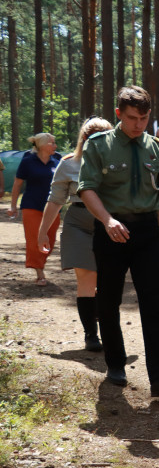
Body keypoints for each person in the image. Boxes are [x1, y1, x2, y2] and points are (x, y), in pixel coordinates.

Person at [77, 85, 159, 397]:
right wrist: (107, 219)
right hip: (111, 231)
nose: (139, 124)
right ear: (119, 114)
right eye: (133, 118)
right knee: (108, 300)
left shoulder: (158, 149)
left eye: (145, 118)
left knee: (153, 302)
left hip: (147, 232)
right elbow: (86, 188)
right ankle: (115, 364)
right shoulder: (99, 145)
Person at [37, 117, 114, 351]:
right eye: (92, 139)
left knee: (108, 281)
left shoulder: (119, 164)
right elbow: (55, 200)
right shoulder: (69, 163)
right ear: (84, 139)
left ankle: (98, 311)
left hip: (108, 225)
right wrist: (42, 233)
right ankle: (91, 335)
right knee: (87, 279)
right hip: (78, 224)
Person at [9, 133, 62, 286]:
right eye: (52, 143)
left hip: (52, 206)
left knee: (50, 239)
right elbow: (17, 184)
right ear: (42, 145)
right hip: (31, 205)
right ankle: (39, 271)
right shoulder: (27, 162)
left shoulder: (57, 161)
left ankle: (40, 264)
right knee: (34, 240)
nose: (55, 146)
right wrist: (13, 205)